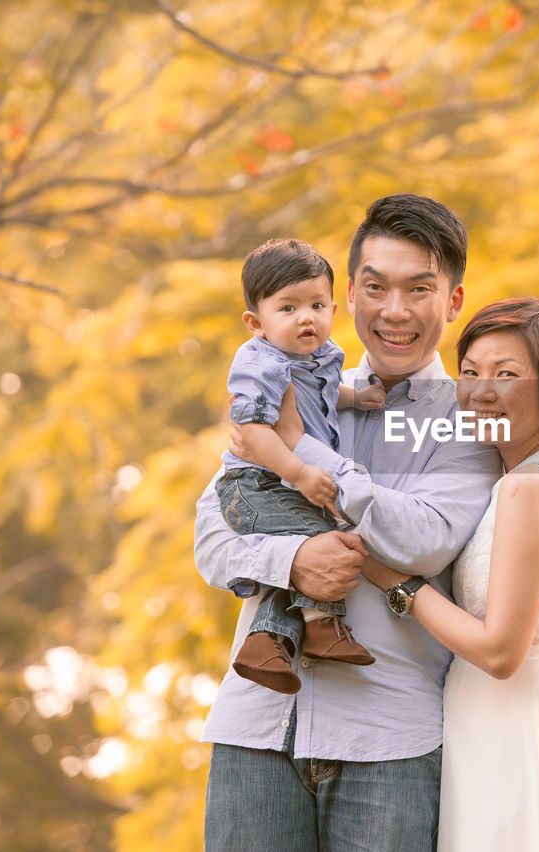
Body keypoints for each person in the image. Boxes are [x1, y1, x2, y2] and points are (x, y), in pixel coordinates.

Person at [194, 194, 502, 851]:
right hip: (256, 728)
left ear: (452, 301)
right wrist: (291, 563)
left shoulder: (470, 420)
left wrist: (302, 453)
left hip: (388, 741)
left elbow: (423, 539)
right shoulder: (290, 380)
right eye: (375, 287)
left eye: (419, 288)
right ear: (349, 298)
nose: (395, 310)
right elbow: (213, 538)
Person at [360, 297, 539, 851]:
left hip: (513, 729)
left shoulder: (531, 487)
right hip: (528, 714)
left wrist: (394, 582)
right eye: (471, 372)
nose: (480, 391)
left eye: (508, 375)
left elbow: (502, 652)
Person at [218, 237, 387, 694]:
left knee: (302, 547)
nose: (306, 317)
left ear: (334, 308)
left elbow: (324, 398)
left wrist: (356, 397)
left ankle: (264, 644)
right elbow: (252, 432)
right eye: (287, 308)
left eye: (316, 304)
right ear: (256, 322)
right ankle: (320, 628)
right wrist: (296, 472)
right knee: (318, 542)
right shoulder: (261, 362)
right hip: (253, 485)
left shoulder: (323, 358)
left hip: (279, 484)